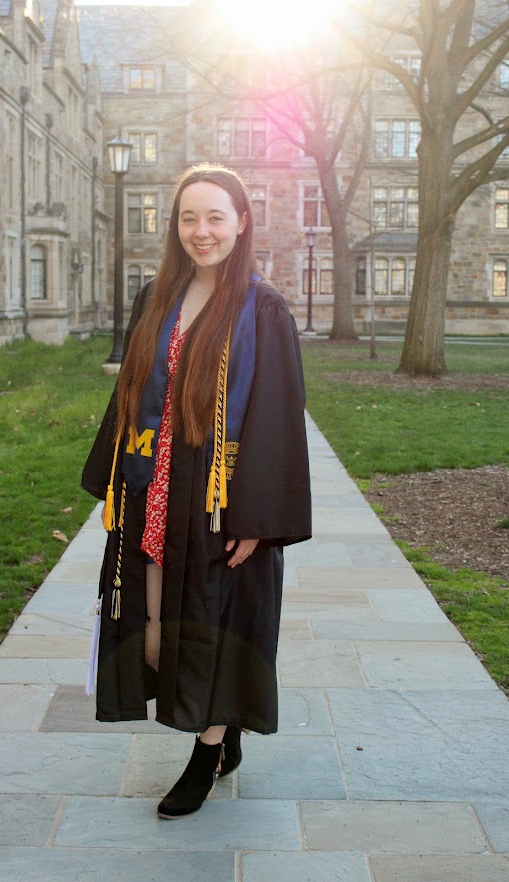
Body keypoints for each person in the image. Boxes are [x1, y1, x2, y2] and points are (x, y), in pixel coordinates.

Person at [82, 162, 311, 819]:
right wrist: (115, 481)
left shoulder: (261, 309)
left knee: (212, 623)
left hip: (217, 499)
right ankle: (226, 722)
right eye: (189, 217)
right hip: (154, 491)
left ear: (242, 223)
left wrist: (259, 515)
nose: (201, 231)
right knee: (154, 632)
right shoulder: (156, 296)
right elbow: (128, 390)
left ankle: (207, 751)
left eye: (216, 217)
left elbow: (275, 414)